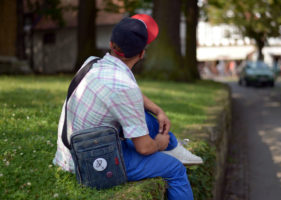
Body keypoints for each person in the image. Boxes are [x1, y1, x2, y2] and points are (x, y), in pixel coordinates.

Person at [53, 14, 203, 200]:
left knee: (148, 118)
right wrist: (159, 143)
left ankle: (174, 146)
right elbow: (145, 148)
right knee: (175, 168)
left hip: (71, 150)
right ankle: (172, 148)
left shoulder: (92, 63)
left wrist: (157, 110)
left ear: (111, 44)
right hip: (89, 162)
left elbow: (128, 95)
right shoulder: (125, 87)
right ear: (142, 54)